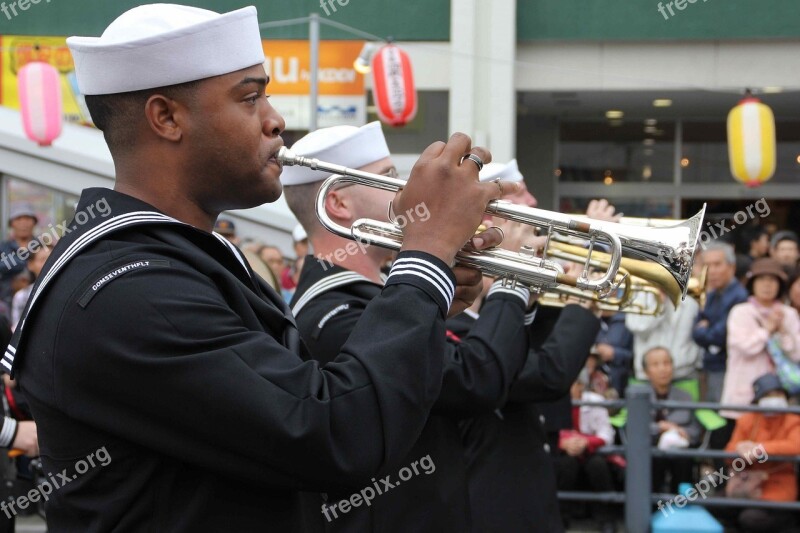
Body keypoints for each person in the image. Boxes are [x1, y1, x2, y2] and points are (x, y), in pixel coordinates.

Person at [7, 5, 507, 531]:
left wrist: (422, 296)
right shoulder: (128, 287)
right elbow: (337, 433)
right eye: (250, 97)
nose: (275, 119)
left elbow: (312, 389)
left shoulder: (175, 259)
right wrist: (424, 258)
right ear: (167, 117)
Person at [282, 124, 531, 532]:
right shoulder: (334, 306)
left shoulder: (376, 296)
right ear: (339, 203)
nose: (408, 196)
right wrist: (513, 282)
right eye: (390, 179)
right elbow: (475, 381)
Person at [453, 161, 603, 533]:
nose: (534, 200)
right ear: (489, 219)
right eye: (521, 192)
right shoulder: (451, 324)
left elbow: (524, 347)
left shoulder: (484, 313)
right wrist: (581, 309)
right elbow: (539, 373)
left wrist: (528, 296)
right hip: (492, 503)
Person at [722, 258, 800, 419]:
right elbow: (746, 348)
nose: (767, 285)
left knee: (772, 442)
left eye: (772, 280)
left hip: (778, 392)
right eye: (761, 279)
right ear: (752, 284)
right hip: (744, 392)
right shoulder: (741, 312)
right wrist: (767, 329)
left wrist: (782, 331)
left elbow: (796, 353)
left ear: (779, 285)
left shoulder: (788, 314)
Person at [722, 373, 800, 532]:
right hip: (746, 482)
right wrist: (740, 450)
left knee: (752, 519)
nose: (774, 398)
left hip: (779, 485)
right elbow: (729, 453)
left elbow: (795, 445)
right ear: (758, 400)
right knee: (713, 505)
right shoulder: (747, 419)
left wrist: (759, 449)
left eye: (777, 394)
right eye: (768, 395)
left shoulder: (792, 420)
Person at [556, 365, 620, 533]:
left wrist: (585, 442)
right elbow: (545, 432)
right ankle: (560, 518)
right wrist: (564, 443)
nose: (571, 388)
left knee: (597, 465)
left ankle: (607, 519)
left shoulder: (595, 401)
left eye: (576, 384)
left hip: (592, 452)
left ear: (582, 386)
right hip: (565, 452)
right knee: (565, 465)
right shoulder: (553, 401)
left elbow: (607, 434)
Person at [693, 242, 748, 404]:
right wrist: (703, 330)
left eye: (717, 264)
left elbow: (719, 335)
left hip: (728, 368)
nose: (712, 271)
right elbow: (695, 332)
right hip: (711, 366)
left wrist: (704, 330)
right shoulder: (711, 294)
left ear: (731, 267)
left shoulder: (739, 296)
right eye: (707, 265)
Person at [641, 347, 701, 493]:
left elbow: (695, 430)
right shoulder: (638, 396)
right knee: (654, 459)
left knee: (683, 458)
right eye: (655, 365)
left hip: (679, 446)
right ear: (646, 372)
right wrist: (660, 427)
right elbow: (635, 429)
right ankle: (652, 509)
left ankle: (679, 506)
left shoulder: (685, 396)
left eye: (667, 363)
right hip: (649, 448)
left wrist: (681, 431)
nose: (663, 369)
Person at [626, 290, 701, 382]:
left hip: (684, 373)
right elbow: (637, 327)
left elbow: (694, 338)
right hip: (646, 376)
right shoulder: (638, 298)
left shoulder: (690, 303)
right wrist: (659, 305)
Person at [0, 203, 39, 311]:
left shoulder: (43, 247)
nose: (23, 223)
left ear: (34, 222)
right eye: (18, 219)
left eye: (27, 218)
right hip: (6, 303)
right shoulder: (3, 248)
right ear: (12, 223)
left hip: (37, 301)